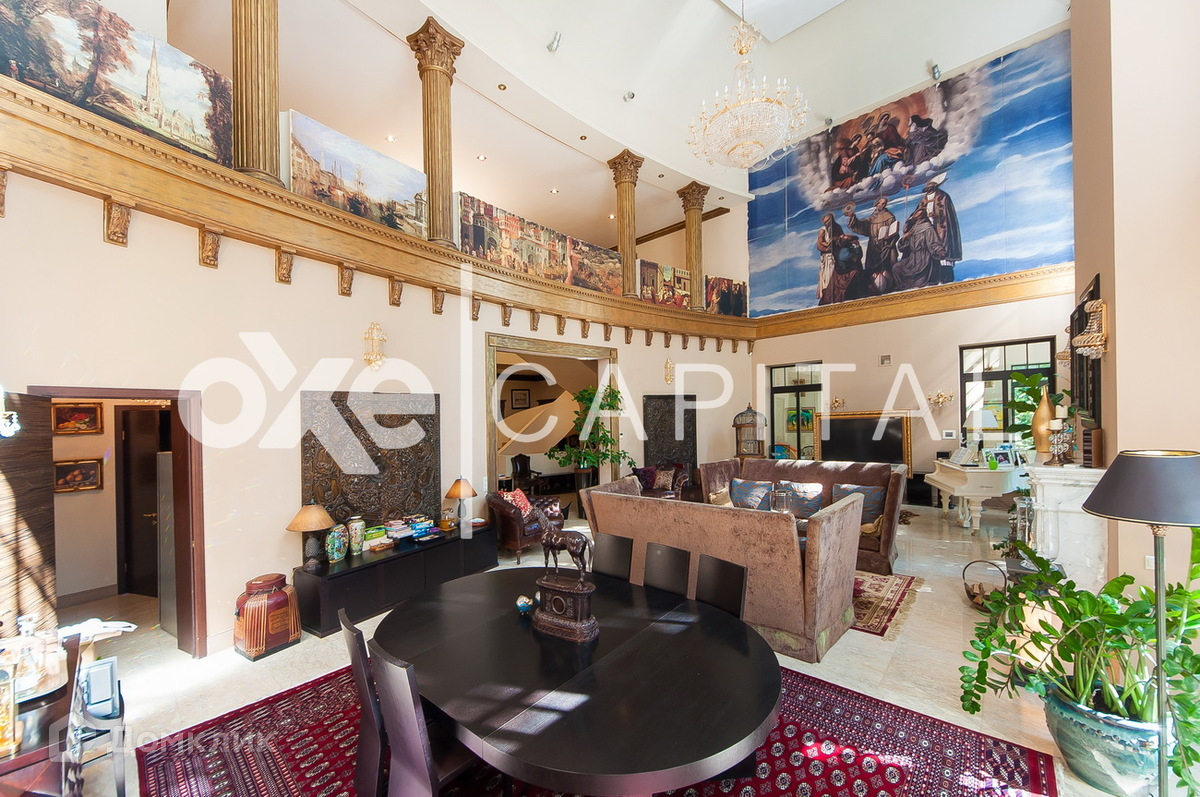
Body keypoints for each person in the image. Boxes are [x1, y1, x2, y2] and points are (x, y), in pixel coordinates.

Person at [844, 197, 899, 295]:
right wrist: (853, 217)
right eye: (881, 203)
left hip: (887, 245)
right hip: (874, 246)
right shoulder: (872, 218)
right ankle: (873, 287)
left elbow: (895, 231)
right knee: (872, 267)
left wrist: (890, 237)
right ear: (876, 204)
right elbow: (861, 225)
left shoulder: (890, 217)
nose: (882, 205)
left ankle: (890, 285)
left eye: (884, 203)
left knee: (889, 264)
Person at [893, 206, 947, 291]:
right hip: (912, 259)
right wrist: (904, 237)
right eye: (916, 213)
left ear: (922, 216)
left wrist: (940, 250)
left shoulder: (927, 227)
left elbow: (933, 242)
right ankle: (901, 286)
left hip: (924, 259)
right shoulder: (912, 228)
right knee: (896, 267)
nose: (916, 215)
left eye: (919, 213)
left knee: (919, 284)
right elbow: (903, 248)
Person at [919, 177, 962, 283]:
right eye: (928, 187)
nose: (929, 189)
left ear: (935, 186)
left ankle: (946, 278)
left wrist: (936, 215)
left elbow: (946, 214)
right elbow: (919, 212)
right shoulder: (924, 199)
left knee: (943, 249)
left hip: (942, 228)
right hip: (929, 228)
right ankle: (933, 277)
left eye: (931, 187)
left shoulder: (942, 196)